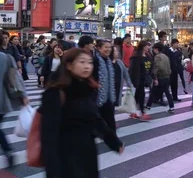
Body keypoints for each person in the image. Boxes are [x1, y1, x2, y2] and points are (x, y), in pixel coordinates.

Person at [41, 48, 124, 178]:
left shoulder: (88, 89)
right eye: (82, 62)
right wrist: (52, 169)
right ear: (69, 65)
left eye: (90, 63)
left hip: (86, 151)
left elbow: (95, 119)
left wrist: (112, 140)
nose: (87, 66)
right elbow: (48, 135)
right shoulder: (56, 92)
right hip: (64, 154)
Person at [0, 29, 29, 174]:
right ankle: (8, 151)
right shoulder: (6, 58)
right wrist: (23, 96)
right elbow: (15, 79)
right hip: (1, 102)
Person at [93, 40, 117, 132]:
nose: (108, 49)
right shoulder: (95, 60)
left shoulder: (109, 61)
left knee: (110, 121)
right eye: (106, 47)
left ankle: (115, 142)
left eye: (110, 47)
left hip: (108, 96)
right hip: (97, 96)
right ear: (99, 48)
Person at [129, 41, 153, 120]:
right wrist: (134, 81)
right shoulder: (136, 57)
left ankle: (133, 112)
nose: (148, 47)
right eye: (147, 46)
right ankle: (142, 113)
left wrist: (153, 77)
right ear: (143, 47)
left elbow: (151, 68)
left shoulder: (148, 56)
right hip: (138, 80)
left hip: (145, 79)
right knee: (141, 96)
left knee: (137, 96)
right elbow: (133, 70)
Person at [152, 42, 175, 113]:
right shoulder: (166, 56)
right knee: (167, 92)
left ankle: (147, 106)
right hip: (167, 76)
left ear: (156, 49)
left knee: (154, 90)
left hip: (161, 76)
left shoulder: (157, 57)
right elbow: (169, 67)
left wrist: (154, 75)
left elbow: (158, 67)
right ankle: (171, 106)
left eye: (154, 49)